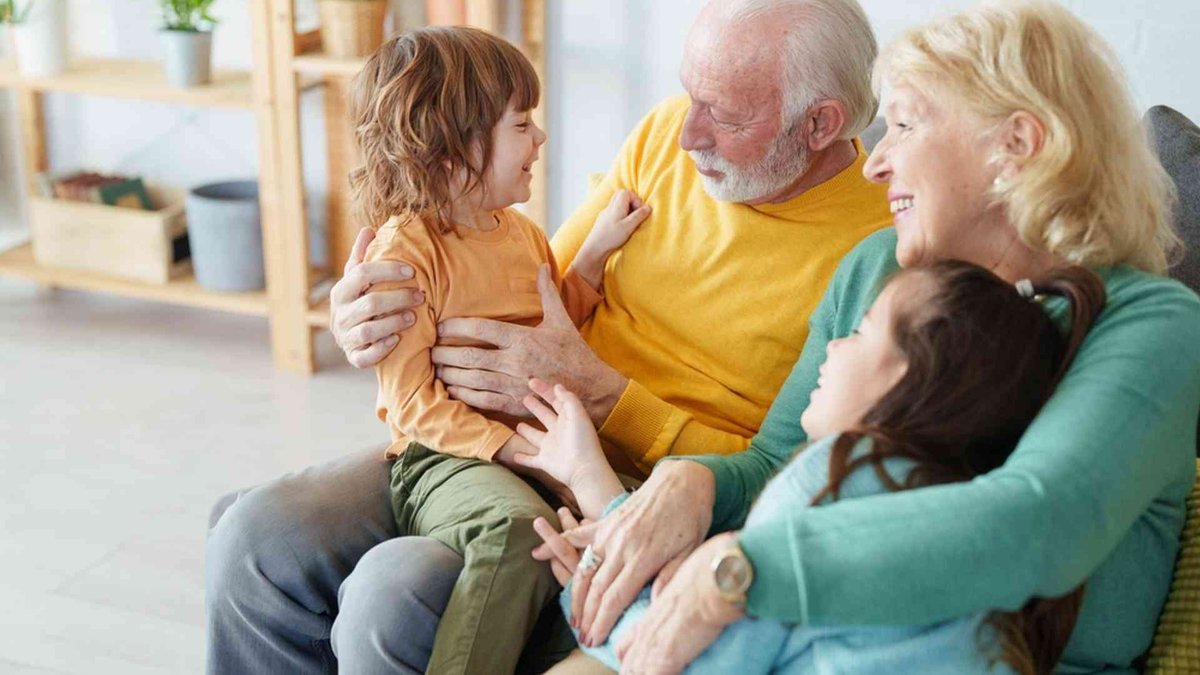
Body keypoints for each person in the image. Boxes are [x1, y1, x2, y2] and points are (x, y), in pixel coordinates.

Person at [205, 1, 890, 672]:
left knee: (394, 591)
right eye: (691, 96)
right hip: (499, 430)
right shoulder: (664, 137)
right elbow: (533, 288)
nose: (688, 135)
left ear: (819, 124)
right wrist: (374, 313)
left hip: (637, 484)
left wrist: (604, 397)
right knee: (256, 532)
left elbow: (793, 472)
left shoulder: (878, 250)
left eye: (726, 115)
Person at [548, 2, 1200, 673]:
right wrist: (695, 484)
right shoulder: (876, 269)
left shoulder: (1148, 321)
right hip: (795, 641)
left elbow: (1036, 526)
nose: (873, 163)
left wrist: (739, 570)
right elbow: (779, 465)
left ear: (1016, 145)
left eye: (906, 124)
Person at [525, 261, 1105, 674]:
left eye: (860, 332)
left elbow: (691, 660)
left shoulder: (834, 474)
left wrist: (594, 595)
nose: (831, 347)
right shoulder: (962, 511)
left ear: (910, 379)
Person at [346, 26, 652, 675]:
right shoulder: (406, 253)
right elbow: (414, 407)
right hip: (442, 458)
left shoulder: (523, 234)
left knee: (632, 516)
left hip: (531, 448)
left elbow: (552, 326)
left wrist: (596, 251)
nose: (539, 138)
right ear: (451, 149)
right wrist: (516, 448)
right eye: (521, 124)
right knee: (516, 530)